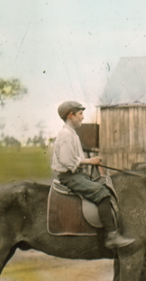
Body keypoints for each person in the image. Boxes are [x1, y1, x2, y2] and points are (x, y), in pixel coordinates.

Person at [51, 100, 134, 249]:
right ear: (71, 115)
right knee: (101, 192)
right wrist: (90, 161)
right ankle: (112, 235)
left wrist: (92, 162)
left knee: (104, 184)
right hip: (69, 177)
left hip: (76, 174)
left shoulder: (72, 134)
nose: (83, 117)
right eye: (80, 114)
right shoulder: (65, 135)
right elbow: (68, 162)